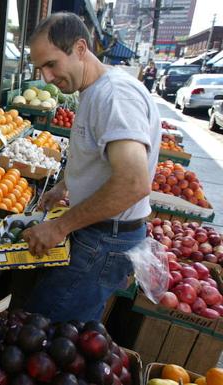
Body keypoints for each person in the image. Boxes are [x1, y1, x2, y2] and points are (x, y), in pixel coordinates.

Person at [21, 12, 161, 322]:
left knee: (47, 326)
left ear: (80, 48)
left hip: (105, 242)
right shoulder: (94, 90)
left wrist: (59, 226)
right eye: (39, 68)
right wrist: (63, 185)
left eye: (51, 64)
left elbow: (134, 183)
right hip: (98, 234)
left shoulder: (114, 97)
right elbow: (94, 150)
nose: (45, 77)